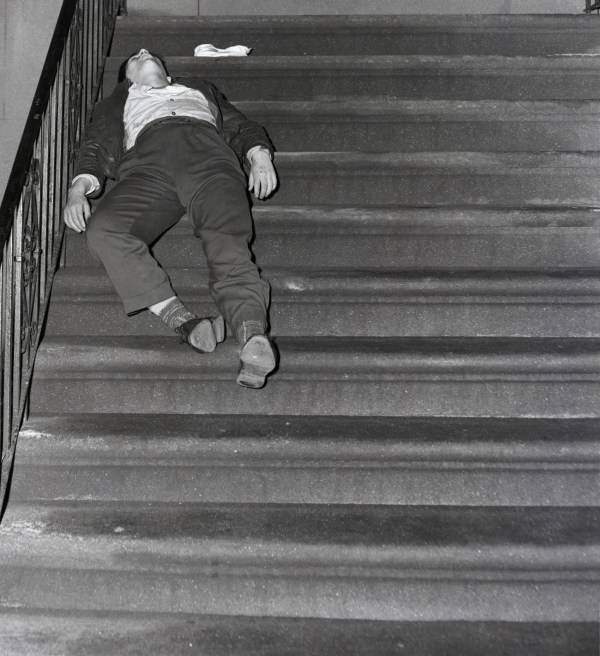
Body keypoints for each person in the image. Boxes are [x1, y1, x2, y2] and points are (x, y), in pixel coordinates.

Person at [63, 48, 278, 388]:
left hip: (209, 156)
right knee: (104, 230)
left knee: (226, 239)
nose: (145, 52)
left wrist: (259, 156)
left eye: (149, 53)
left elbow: (239, 126)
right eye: (135, 56)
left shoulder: (199, 88)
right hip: (148, 165)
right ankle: (183, 321)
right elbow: (96, 146)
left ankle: (251, 334)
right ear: (127, 76)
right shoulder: (117, 102)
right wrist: (78, 190)